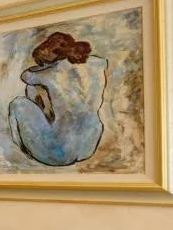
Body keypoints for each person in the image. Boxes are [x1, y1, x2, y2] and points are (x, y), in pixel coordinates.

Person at [8, 31, 106, 167]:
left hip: (59, 153)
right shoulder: (95, 64)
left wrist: (43, 68)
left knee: (18, 102)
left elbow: (25, 76)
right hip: (88, 147)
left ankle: (23, 149)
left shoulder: (50, 73)